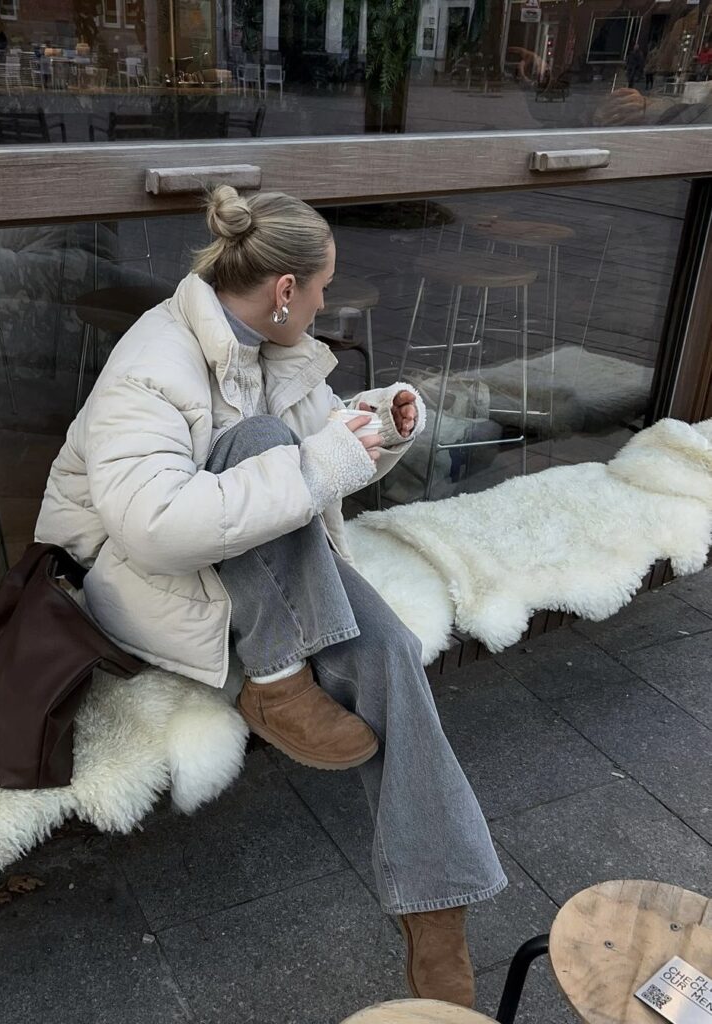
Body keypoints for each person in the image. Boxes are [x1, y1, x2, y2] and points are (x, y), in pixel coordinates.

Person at [35, 186, 506, 1006]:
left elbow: (322, 460)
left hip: (260, 571)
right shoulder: (153, 365)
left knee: (390, 652)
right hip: (138, 579)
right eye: (321, 287)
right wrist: (317, 460)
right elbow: (152, 529)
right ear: (284, 289)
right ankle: (275, 682)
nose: (326, 302)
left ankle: (437, 925)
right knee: (256, 442)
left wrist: (378, 425)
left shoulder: (269, 348)